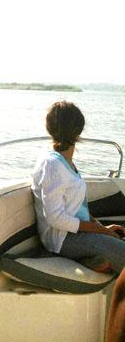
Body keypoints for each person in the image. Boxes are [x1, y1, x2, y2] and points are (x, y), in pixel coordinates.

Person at [31, 101, 125, 273]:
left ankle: (90, 259)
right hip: (62, 241)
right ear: (79, 130)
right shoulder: (52, 164)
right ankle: (86, 258)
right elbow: (55, 218)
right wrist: (99, 231)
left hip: (77, 234)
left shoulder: (64, 162)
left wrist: (102, 229)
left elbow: (76, 207)